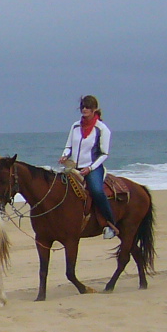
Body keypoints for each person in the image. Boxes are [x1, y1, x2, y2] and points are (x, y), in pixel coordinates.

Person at [60, 94, 118, 239]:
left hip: (93, 168)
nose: (84, 109)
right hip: (74, 167)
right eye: (83, 107)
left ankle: (110, 224)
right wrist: (64, 155)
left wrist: (90, 168)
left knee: (97, 191)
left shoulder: (102, 129)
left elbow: (104, 154)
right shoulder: (75, 126)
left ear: (94, 109)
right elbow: (68, 146)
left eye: (88, 107)